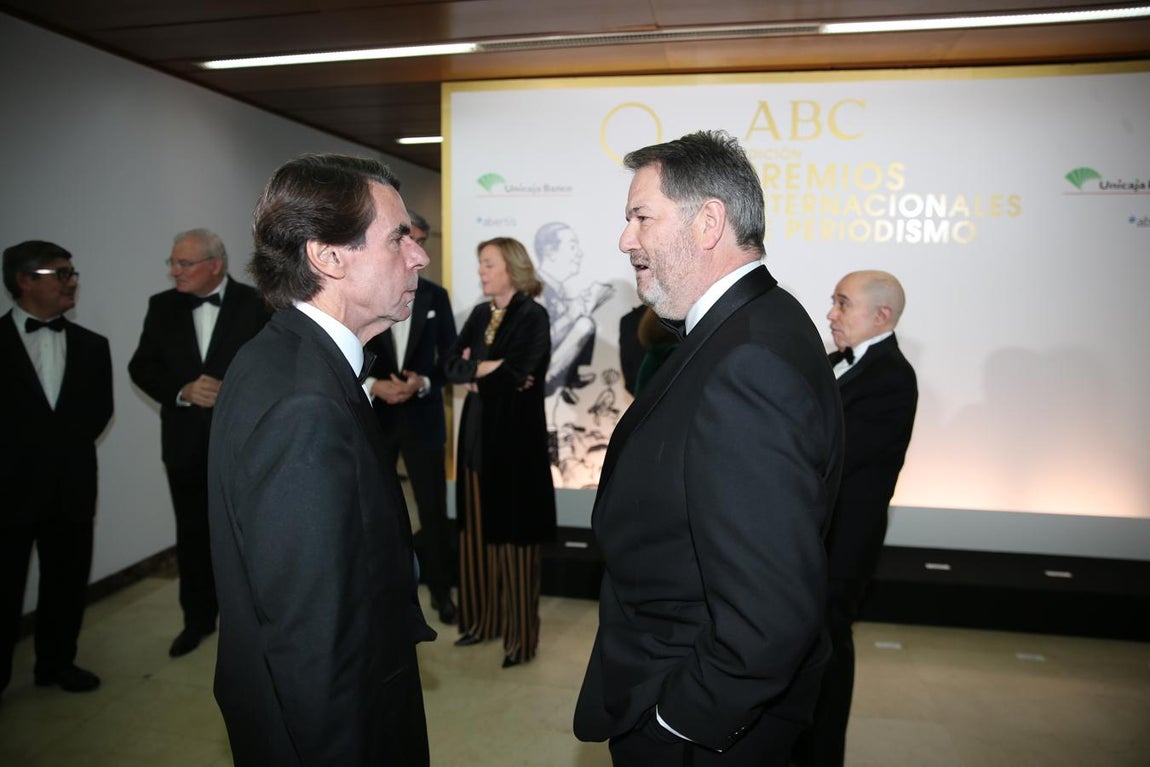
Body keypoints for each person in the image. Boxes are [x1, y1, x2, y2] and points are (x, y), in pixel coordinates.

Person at [573, 130, 844, 767]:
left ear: (709, 222)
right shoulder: (746, 326)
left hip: (700, 724)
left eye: (641, 217)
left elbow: (769, 610)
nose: (625, 239)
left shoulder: (748, 357)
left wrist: (678, 723)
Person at [207, 154, 437, 766]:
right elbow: (310, 638)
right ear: (327, 257)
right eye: (399, 239)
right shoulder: (304, 404)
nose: (420, 256)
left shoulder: (285, 355)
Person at [791, 270, 918, 767]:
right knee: (808, 643)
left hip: (844, 541)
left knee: (829, 644)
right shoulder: (834, 362)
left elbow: (834, 457)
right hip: (816, 533)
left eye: (843, 304)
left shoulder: (892, 378)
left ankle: (823, 754)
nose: (831, 314)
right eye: (833, 302)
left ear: (881, 316)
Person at [128, 229, 268, 658]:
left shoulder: (258, 303)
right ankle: (197, 620)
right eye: (172, 263)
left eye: (183, 263)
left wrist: (236, 390)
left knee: (252, 537)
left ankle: (254, 624)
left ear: (216, 264)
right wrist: (182, 389)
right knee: (191, 536)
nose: (174, 271)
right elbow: (142, 366)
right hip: (186, 446)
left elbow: (276, 369)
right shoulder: (162, 306)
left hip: (246, 446)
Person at [1, 241, 112, 699]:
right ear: (25, 280)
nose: (72, 282)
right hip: (7, 494)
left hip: (71, 489)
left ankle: (57, 662)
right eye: (61, 274)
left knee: (66, 584)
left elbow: (98, 413)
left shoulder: (92, 346)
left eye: (72, 274)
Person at [444, 236, 556, 668]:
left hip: (514, 450)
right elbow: (449, 366)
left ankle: (519, 640)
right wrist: (484, 370)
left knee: (516, 545)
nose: (481, 271)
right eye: (480, 264)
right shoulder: (478, 313)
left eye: (487, 263)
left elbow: (522, 374)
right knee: (474, 541)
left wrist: (479, 373)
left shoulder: (533, 315)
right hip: (475, 444)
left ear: (511, 266)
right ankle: (481, 623)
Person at [364, 210, 459, 625]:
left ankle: (442, 593)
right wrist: (372, 387)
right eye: (404, 238)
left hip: (422, 419)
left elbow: (451, 361)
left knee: (433, 512)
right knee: (374, 512)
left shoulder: (436, 297)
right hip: (376, 421)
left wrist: (421, 382)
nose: (413, 248)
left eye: (419, 239)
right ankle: (386, 595)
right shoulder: (368, 289)